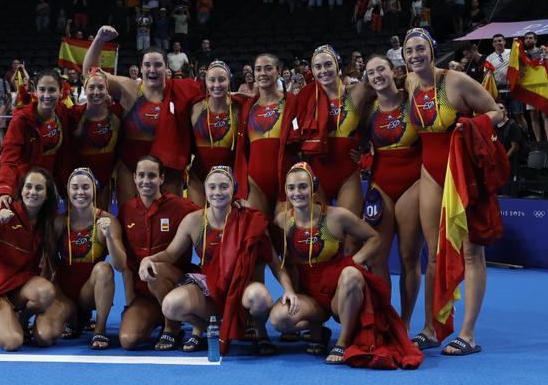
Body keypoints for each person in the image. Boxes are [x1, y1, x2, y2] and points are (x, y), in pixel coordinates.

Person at [402, 28, 501, 354]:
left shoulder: (455, 81)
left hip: (463, 175)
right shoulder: (410, 83)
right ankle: (431, 328)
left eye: (420, 49)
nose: (415, 55)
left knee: (472, 252)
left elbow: (497, 113)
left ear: (432, 49)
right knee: (434, 254)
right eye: (409, 51)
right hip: (431, 174)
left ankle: (468, 334)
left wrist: (471, 126)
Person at [269, 162, 423, 368]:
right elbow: (283, 263)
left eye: (302, 186)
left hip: (337, 293)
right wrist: (289, 290)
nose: (297, 193)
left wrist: (355, 261)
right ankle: (317, 328)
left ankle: (342, 341)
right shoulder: (282, 222)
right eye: (291, 188)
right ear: (286, 191)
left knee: (351, 274)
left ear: (313, 187)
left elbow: (374, 238)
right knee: (278, 319)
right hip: (309, 295)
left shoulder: (336, 216)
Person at [144, 166, 299, 354]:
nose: (217, 192)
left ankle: (260, 331)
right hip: (210, 290)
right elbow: (170, 255)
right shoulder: (194, 221)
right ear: (205, 190)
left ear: (234, 189)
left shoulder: (249, 220)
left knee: (259, 297)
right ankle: (207, 326)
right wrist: (148, 260)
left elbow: (275, 263)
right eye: (212, 187)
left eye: (224, 187)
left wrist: (289, 290)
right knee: (171, 306)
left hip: (241, 289)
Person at [83, 25, 203, 203]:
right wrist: (99, 40)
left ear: (166, 67)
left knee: (169, 222)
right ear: (140, 68)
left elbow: (216, 94)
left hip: (168, 170)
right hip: (131, 169)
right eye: (147, 65)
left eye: (157, 65)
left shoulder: (182, 89)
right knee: (130, 223)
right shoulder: (130, 89)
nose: (152, 70)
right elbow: (90, 73)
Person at [0, 168, 59, 350]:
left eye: (39, 188)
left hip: (18, 285)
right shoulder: (2, 209)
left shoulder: (45, 223)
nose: (32, 192)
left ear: (47, 195)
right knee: (13, 342)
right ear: (21, 190)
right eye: (28, 187)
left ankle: (18, 320)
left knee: (46, 292)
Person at [34, 168, 126, 350]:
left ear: (94, 189)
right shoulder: (59, 222)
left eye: (85, 187)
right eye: (75, 188)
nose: (80, 192)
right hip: (63, 293)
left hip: (89, 292)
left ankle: (99, 329)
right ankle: (76, 317)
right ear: (68, 191)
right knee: (43, 337)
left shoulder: (107, 221)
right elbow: (47, 264)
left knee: (104, 269)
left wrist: (108, 237)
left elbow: (121, 265)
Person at [362, 55, 422, 326]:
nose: (376, 75)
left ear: (393, 71)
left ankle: (406, 322)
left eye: (381, 69)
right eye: (371, 72)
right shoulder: (367, 110)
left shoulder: (413, 100)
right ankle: (386, 320)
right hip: (380, 186)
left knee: (409, 256)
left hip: (413, 184)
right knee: (377, 256)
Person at [117, 156, 200, 350]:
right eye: (142, 175)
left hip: (175, 283)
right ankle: (160, 317)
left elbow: (211, 215)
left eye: (152, 176)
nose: (146, 181)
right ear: (134, 177)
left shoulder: (182, 207)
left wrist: (237, 204)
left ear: (161, 179)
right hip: (146, 293)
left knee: (155, 270)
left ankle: (172, 328)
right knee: (128, 339)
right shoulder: (126, 211)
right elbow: (124, 264)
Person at [290, 45, 370, 224]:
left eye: (328, 65)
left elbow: (383, 105)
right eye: (318, 67)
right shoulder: (304, 99)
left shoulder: (358, 92)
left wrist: (364, 145)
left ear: (338, 66)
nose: (323, 71)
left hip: (347, 176)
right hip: (317, 174)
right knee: (320, 237)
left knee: (350, 240)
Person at [0, 70, 70, 210]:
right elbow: (9, 159)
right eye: (42, 89)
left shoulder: (62, 112)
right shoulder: (21, 120)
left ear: (61, 92)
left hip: (50, 190)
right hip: (24, 188)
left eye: (52, 90)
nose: (46, 95)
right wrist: (4, 189)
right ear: (35, 91)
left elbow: (85, 115)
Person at [234, 53, 296, 217]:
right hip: (256, 184)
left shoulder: (292, 102)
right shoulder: (247, 107)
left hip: (288, 181)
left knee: (284, 237)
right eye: (258, 69)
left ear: (279, 71)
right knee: (257, 237)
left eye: (268, 68)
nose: (263, 73)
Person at [69, 68, 122, 209]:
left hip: (107, 176)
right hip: (81, 178)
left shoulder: (116, 112)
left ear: (107, 90)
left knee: (102, 215)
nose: (96, 92)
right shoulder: (75, 114)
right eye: (91, 87)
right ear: (85, 90)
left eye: (101, 87)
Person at [188, 61, 239, 206]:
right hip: (198, 177)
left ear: (229, 80)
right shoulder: (195, 108)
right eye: (212, 80)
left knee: (225, 224)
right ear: (205, 81)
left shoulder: (238, 109)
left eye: (222, 79)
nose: (216, 85)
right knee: (198, 220)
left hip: (229, 178)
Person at [486, 34, 527, 131]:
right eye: (495, 41)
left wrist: (517, 45)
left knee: (519, 115)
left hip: (513, 90)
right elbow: (487, 76)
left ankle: (525, 138)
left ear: (504, 42)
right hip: (499, 92)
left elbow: (523, 59)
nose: (497, 43)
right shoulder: (489, 58)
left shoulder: (512, 52)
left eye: (500, 41)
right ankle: (507, 140)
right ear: (492, 44)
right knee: (502, 117)